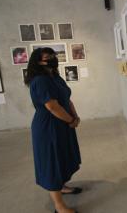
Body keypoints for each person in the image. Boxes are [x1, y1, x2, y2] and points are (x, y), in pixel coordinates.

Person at [25, 47, 82, 213]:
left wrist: (75, 116)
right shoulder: (40, 80)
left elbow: (67, 100)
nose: (52, 58)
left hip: (63, 122)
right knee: (52, 161)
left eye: (53, 55)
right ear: (38, 62)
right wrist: (71, 120)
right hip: (48, 127)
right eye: (47, 56)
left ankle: (61, 186)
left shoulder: (55, 77)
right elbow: (52, 106)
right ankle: (59, 206)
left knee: (63, 156)